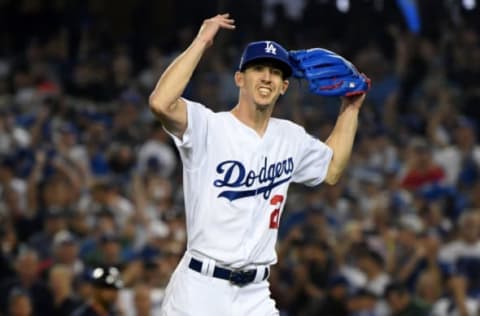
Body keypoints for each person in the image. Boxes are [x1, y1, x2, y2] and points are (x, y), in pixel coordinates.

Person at [149, 13, 366, 315]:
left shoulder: (289, 136)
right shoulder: (209, 126)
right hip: (201, 288)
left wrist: (350, 107)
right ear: (240, 78)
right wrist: (202, 41)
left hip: (255, 294)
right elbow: (161, 103)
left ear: (284, 86)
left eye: (276, 73)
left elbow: (331, 170)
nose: (267, 77)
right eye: (259, 69)